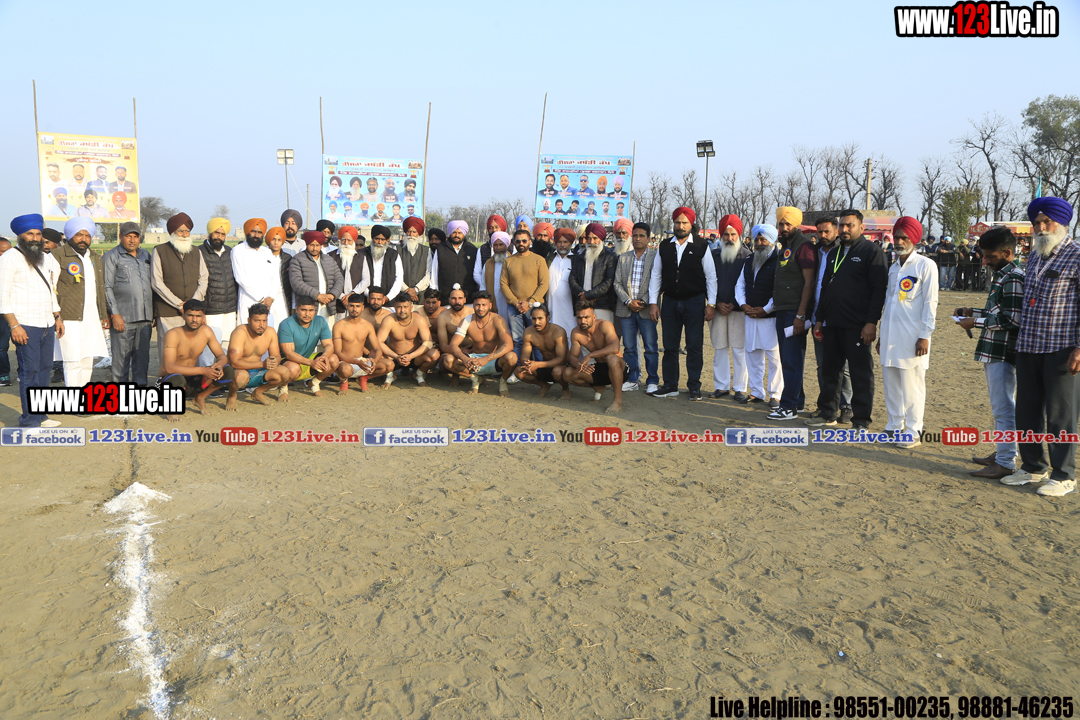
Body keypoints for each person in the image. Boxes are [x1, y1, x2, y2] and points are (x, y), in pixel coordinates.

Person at [999, 197, 1080, 496]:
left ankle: (1063, 475)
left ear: (1062, 223)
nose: (1041, 227)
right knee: (1028, 411)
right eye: (1037, 223)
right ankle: (1033, 467)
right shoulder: (1034, 257)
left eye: (1047, 221)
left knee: (1061, 415)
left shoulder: (1076, 256)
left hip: (1062, 347)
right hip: (1029, 344)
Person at [809, 209, 889, 430]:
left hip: (857, 325)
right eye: (842, 225)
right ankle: (828, 413)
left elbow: (878, 290)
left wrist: (871, 323)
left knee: (860, 373)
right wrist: (819, 319)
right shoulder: (834, 253)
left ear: (861, 228)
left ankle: (861, 419)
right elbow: (825, 288)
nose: (844, 229)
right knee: (830, 370)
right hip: (832, 323)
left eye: (849, 225)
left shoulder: (871, 252)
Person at [955, 226, 1024, 479]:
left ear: (1007, 253)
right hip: (995, 349)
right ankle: (1004, 452)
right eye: (984, 256)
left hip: (1002, 351)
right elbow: (998, 313)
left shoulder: (1013, 277)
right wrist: (972, 312)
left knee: (1003, 407)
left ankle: (1005, 461)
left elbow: (1013, 319)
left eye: (990, 256)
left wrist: (975, 322)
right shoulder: (1004, 275)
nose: (985, 261)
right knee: (1001, 405)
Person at [878, 217, 938, 448]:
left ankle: (913, 430)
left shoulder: (925, 265)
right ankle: (894, 425)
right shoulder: (893, 267)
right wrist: (882, 335)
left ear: (915, 239)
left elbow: (930, 303)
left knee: (913, 386)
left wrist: (925, 336)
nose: (900, 242)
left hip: (913, 337)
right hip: (890, 335)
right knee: (891, 383)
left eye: (904, 238)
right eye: (897, 237)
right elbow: (889, 302)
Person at [0, 214, 64, 427]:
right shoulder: (9, 258)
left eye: (38, 234)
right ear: (20, 235)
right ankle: (29, 422)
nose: (35, 238)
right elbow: (2, 295)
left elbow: (51, 290)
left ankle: (41, 416)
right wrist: (14, 325)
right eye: (30, 234)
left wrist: (57, 316)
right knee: (30, 372)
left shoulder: (46, 258)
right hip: (25, 324)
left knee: (45, 369)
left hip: (46, 323)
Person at [648, 207, 717, 401]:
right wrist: (653, 302)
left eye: (684, 222)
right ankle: (670, 385)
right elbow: (656, 275)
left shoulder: (702, 245)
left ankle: (694, 387)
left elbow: (711, 276)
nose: (680, 226)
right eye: (677, 222)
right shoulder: (665, 246)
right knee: (670, 346)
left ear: (691, 224)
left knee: (694, 346)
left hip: (695, 302)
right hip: (670, 302)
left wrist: (711, 304)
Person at [768, 207, 817, 421]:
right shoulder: (787, 245)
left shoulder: (804, 246)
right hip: (783, 309)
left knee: (791, 360)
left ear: (796, 225)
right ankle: (798, 402)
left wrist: (801, 315)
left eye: (788, 224)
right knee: (789, 359)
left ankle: (788, 407)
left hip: (794, 312)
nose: (784, 227)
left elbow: (809, 282)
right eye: (781, 224)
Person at [53, 217, 109, 388]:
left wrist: (103, 315)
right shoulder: (57, 256)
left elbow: (99, 288)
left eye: (87, 235)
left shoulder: (95, 257)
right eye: (79, 235)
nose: (83, 239)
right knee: (72, 360)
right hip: (68, 317)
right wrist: (57, 316)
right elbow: (51, 288)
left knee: (87, 359)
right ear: (69, 235)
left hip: (91, 317)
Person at [151, 212, 208, 371]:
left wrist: (192, 304)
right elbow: (157, 282)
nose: (184, 234)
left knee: (191, 351)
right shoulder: (160, 251)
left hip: (193, 312)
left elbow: (203, 279)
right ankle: (166, 382)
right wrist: (179, 304)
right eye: (180, 230)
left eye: (187, 231)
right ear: (172, 232)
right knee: (169, 352)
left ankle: (190, 383)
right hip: (168, 312)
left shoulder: (196, 252)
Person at [809, 216, 853, 424]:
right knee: (822, 365)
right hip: (817, 316)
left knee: (842, 367)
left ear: (836, 232)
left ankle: (846, 405)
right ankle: (826, 405)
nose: (823, 235)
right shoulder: (814, 252)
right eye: (819, 232)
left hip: (838, 317)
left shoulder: (844, 252)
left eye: (827, 231)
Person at [158, 299, 232, 421]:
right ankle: (171, 408)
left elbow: (222, 356)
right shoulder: (173, 334)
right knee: (177, 378)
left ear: (203, 317)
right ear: (183, 316)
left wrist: (219, 364)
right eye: (190, 315)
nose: (194, 319)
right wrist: (203, 370)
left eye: (198, 316)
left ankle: (200, 397)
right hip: (170, 381)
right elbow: (169, 367)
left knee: (227, 370)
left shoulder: (206, 331)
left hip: (193, 380)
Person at [736, 225, 783, 407]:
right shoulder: (750, 259)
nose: (759, 243)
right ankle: (756, 392)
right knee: (752, 355)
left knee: (775, 358)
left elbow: (780, 290)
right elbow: (740, 285)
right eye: (757, 239)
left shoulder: (780, 260)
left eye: (763, 239)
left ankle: (776, 394)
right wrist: (743, 304)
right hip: (750, 316)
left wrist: (766, 309)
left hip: (771, 318)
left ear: (772, 241)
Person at [103, 221, 153, 387]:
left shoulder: (146, 256)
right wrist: (114, 314)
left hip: (145, 316)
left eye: (135, 236)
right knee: (121, 359)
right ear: (120, 237)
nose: (132, 240)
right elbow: (107, 287)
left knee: (142, 358)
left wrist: (153, 312)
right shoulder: (111, 256)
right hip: (123, 317)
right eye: (128, 236)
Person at [709, 214, 750, 401]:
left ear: (739, 235)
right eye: (726, 234)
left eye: (733, 234)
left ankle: (740, 388)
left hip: (739, 311)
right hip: (718, 310)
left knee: (739, 349)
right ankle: (721, 386)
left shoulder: (747, 256)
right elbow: (708, 281)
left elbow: (749, 283)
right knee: (720, 348)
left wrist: (734, 303)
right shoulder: (713, 255)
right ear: (721, 235)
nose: (729, 238)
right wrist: (717, 303)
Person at [615, 221, 659, 393]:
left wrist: (644, 301)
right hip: (626, 309)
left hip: (647, 309)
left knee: (651, 347)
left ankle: (652, 381)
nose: (638, 239)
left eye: (642, 236)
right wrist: (628, 301)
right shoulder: (624, 257)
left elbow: (659, 282)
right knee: (629, 347)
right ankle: (633, 379)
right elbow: (617, 283)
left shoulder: (656, 257)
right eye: (635, 236)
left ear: (648, 238)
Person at [558, 300, 624, 414]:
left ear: (594, 317)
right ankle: (599, 387)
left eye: (586, 317)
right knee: (567, 373)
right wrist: (579, 365)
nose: (583, 321)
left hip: (619, 367)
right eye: (579, 318)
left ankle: (617, 401)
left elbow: (615, 348)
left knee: (611, 358)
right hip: (600, 368)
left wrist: (590, 355)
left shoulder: (604, 325)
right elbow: (572, 357)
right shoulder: (576, 332)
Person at [445, 291, 517, 396]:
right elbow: (453, 345)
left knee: (512, 357)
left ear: (490, 306)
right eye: (477, 305)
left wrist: (486, 359)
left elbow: (509, 345)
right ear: (473, 305)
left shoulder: (497, 319)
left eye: (484, 305)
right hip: (473, 361)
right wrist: (465, 359)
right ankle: (475, 379)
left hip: (494, 360)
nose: (480, 308)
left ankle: (502, 382)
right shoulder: (467, 320)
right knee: (448, 360)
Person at [225, 303, 290, 408]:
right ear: (249, 320)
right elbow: (234, 362)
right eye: (257, 321)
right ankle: (232, 395)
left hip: (258, 371)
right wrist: (262, 364)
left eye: (264, 321)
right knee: (241, 376)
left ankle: (258, 392)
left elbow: (277, 356)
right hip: (239, 372)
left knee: (285, 372)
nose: (261, 325)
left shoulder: (270, 332)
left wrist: (274, 360)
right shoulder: (240, 333)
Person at [278, 295, 339, 400]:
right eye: (303, 310)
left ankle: (314, 383)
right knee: (293, 368)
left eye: (311, 310)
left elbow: (329, 345)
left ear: (315, 310)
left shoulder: (320, 321)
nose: (307, 314)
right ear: (297, 309)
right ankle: (283, 388)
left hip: (307, 359)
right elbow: (288, 353)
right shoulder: (286, 324)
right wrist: (311, 363)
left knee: (333, 359)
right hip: (286, 362)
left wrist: (324, 356)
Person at [501, 229, 549, 356]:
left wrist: (530, 302)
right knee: (517, 340)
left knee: (537, 340)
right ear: (514, 242)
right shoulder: (508, 261)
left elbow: (544, 284)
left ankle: (539, 367)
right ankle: (517, 366)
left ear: (530, 242)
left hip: (535, 307)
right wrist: (516, 302)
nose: (521, 243)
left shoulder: (539, 260)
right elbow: (503, 284)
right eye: (518, 241)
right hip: (514, 307)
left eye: (524, 241)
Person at [198, 217, 239, 364]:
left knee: (227, 344)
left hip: (230, 308)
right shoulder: (199, 252)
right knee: (208, 347)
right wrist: (201, 310)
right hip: (211, 309)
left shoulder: (230, 252)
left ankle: (223, 374)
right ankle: (205, 376)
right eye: (216, 233)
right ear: (210, 233)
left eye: (222, 234)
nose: (219, 237)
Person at [376, 293, 440, 387]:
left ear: (411, 307)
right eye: (399, 307)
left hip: (414, 357)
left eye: (405, 307)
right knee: (375, 353)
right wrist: (396, 356)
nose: (402, 310)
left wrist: (411, 356)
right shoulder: (389, 320)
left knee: (434, 354)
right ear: (395, 307)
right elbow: (379, 342)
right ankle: (390, 375)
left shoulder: (419, 319)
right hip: (393, 357)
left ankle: (419, 374)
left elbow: (428, 342)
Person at [332, 293, 389, 393]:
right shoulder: (339, 326)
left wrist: (375, 361)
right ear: (347, 306)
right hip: (345, 362)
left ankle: (363, 378)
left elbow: (377, 348)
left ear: (362, 307)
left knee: (389, 365)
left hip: (361, 361)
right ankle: (344, 381)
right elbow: (337, 352)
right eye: (352, 306)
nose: (354, 309)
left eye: (358, 306)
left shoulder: (367, 325)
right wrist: (357, 362)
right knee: (345, 370)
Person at [289, 230, 344, 330]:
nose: (315, 248)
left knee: (327, 335)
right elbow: (296, 283)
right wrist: (318, 296)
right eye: (312, 245)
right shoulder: (297, 259)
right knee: (308, 335)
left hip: (328, 305)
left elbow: (339, 280)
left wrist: (332, 295)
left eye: (317, 245)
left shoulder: (329, 260)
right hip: (308, 307)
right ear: (307, 244)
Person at [514, 303, 569, 398]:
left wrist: (538, 364)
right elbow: (524, 355)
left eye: (540, 318)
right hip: (544, 366)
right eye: (534, 319)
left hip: (560, 367)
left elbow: (561, 359)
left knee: (557, 372)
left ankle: (565, 389)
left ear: (547, 318)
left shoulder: (558, 331)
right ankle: (544, 385)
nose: (537, 322)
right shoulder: (528, 332)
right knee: (519, 371)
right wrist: (527, 364)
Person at [570, 223, 617, 324]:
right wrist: (582, 295)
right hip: (582, 305)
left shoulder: (610, 257)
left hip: (602, 305)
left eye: (595, 238)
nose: (591, 242)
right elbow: (572, 279)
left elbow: (608, 282)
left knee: (602, 332)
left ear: (601, 239)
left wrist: (589, 295)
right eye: (589, 238)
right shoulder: (580, 257)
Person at [431, 220, 478, 305]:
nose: (457, 235)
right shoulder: (441, 249)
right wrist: (434, 292)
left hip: (468, 299)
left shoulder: (472, 250)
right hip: (445, 298)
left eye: (460, 233)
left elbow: (477, 273)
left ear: (464, 233)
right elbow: (434, 272)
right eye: (454, 232)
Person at [435, 287, 474, 381]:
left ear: (465, 299)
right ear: (449, 300)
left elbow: (482, 339)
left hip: (472, 350)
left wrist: (472, 350)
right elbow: (443, 345)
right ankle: (473, 377)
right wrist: (459, 353)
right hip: (451, 351)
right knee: (447, 361)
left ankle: (480, 376)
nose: (457, 301)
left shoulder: (473, 313)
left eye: (460, 298)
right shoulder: (443, 317)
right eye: (453, 298)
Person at [358, 225, 403, 299]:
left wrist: (388, 297)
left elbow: (399, 278)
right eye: (377, 239)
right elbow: (357, 277)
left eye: (383, 240)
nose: (379, 242)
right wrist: (370, 295)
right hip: (365, 299)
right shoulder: (362, 254)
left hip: (388, 300)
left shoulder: (394, 255)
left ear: (387, 240)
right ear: (372, 238)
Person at [546, 228, 577, 333]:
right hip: (552, 308)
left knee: (570, 335)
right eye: (559, 242)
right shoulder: (549, 259)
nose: (562, 245)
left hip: (570, 310)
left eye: (565, 242)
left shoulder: (577, 260)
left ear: (571, 243)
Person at [476, 231, 512, 319]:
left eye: (501, 244)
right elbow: (483, 285)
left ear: (506, 245)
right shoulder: (488, 264)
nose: (498, 247)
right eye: (495, 245)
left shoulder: (513, 262)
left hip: (509, 305)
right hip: (493, 304)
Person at [330, 225, 365, 317]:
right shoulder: (330, 256)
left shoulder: (361, 257)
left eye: (349, 240)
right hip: (337, 303)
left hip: (356, 302)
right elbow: (329, 280)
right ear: (339, 240)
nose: (346, 243)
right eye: (343, 240)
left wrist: (352, 295)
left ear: (353, 241)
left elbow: (366, 280)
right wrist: (342, 297)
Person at [399, 217, 431, 303]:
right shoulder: (397, 250)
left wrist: (416, 289)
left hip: (420, 296)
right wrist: (407, 290)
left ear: (418, 233)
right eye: (409, 231)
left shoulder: (426, 251)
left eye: (414, 232)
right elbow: (395, 273)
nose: (411, 234)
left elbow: (428, 274)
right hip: (401, 295)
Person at [0, 238, 11, 386]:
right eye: (3, 251)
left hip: (8, 312)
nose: (6, 255)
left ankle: (4, 374)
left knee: (3, 346)